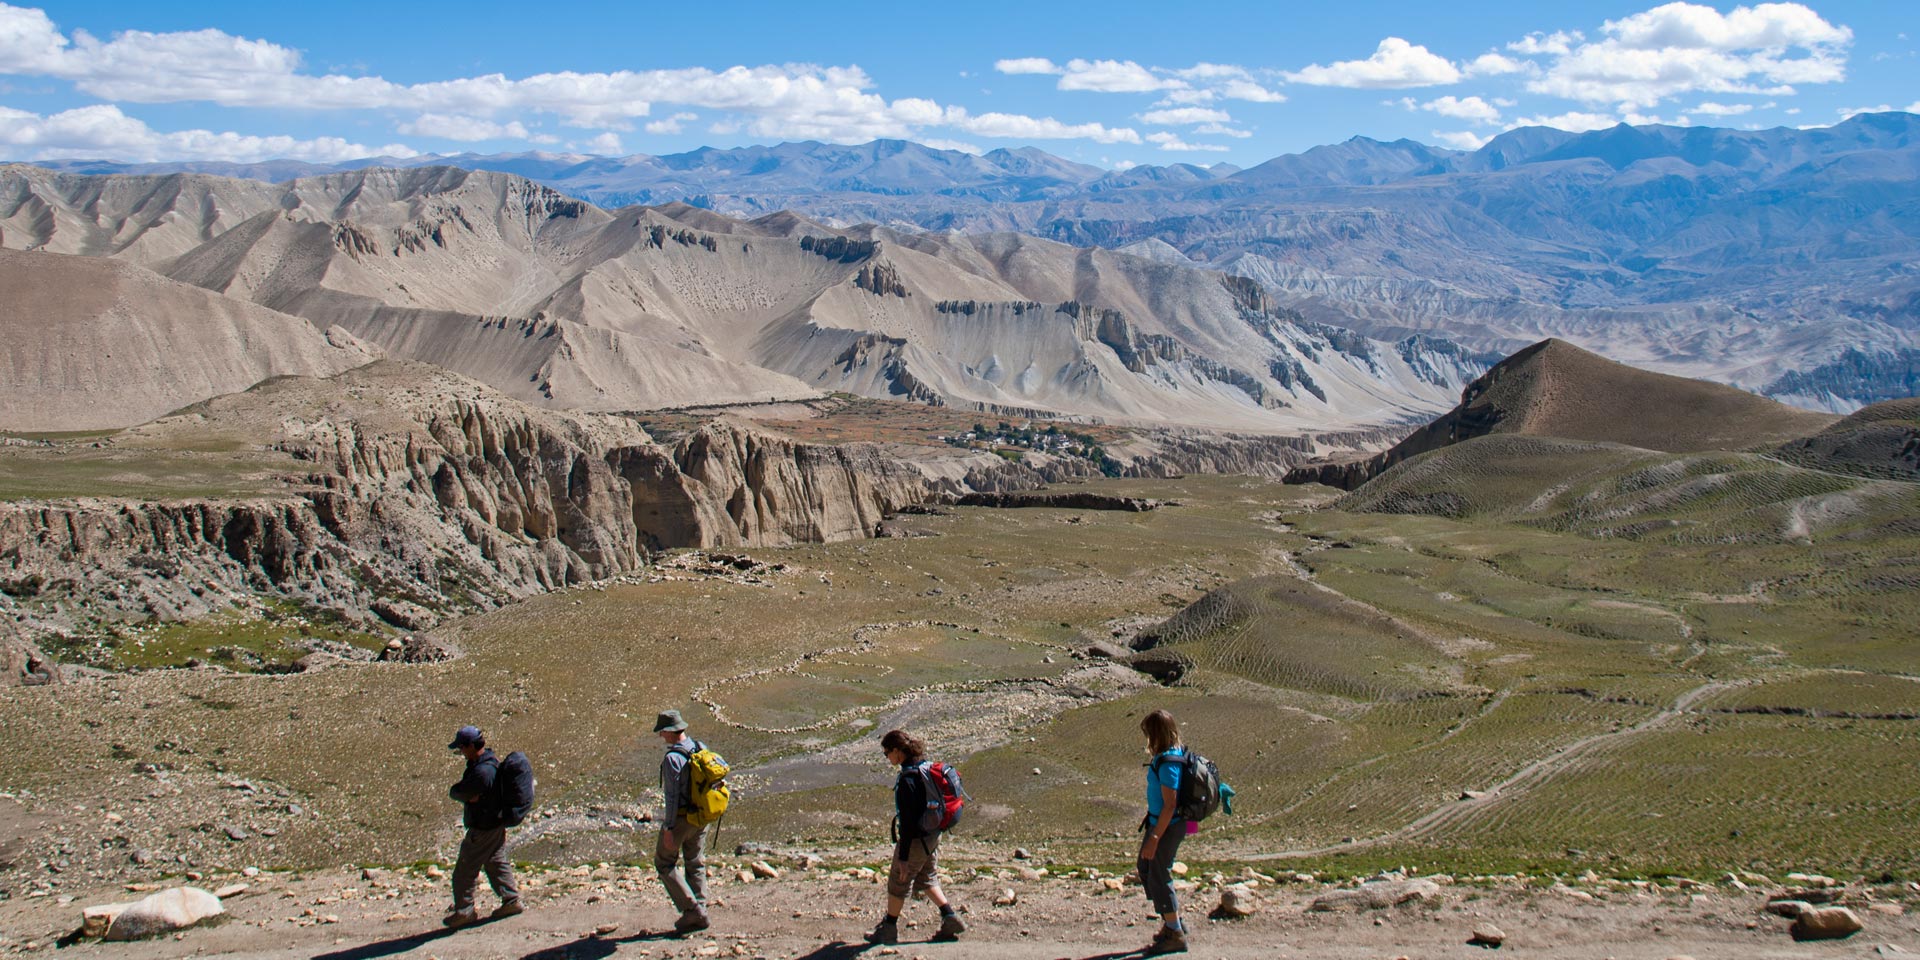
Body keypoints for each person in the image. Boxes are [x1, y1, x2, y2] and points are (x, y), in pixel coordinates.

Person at [866, 730, 965, 945]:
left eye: (887, 753)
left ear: (898, 751)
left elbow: (909, 823)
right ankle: (949, 917)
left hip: (917, 839)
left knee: (898, 882)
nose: (887, 758)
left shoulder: (908, 779)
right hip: (932, 835)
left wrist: (902, 857)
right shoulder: (924, 768)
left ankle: (889, 929)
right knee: (926, 876)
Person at [444, 725, 522, 927]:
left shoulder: (482, 771)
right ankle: (511, 900)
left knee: (464, 870)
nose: (460, 751)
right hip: (495, 823)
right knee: (495, 861)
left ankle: (464, 911)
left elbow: (458, 792)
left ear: (470, 746)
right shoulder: (490, 762)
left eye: (461, 747)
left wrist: (462, 794)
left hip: (483, 827)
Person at [653, 710, 710, 934]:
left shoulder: (672, 758)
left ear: (669, 732)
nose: (661, 737)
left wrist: (668, 828)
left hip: (680, 820)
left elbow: (672, 797)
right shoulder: (700, 747)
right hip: (701, 817)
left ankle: (692, 910)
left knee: (664, 863)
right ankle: (700, 909)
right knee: (695, 862)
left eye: (662, 732)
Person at [1137, 709, 1189, 954]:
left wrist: (1155, 837)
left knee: (1158, 872)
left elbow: (1170, 804)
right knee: (1147, 868)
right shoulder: (1170, 756)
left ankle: (1174, 931)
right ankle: (1172, 920)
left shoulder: (1168, 762)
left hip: (1166, 826)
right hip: (1162, 824)